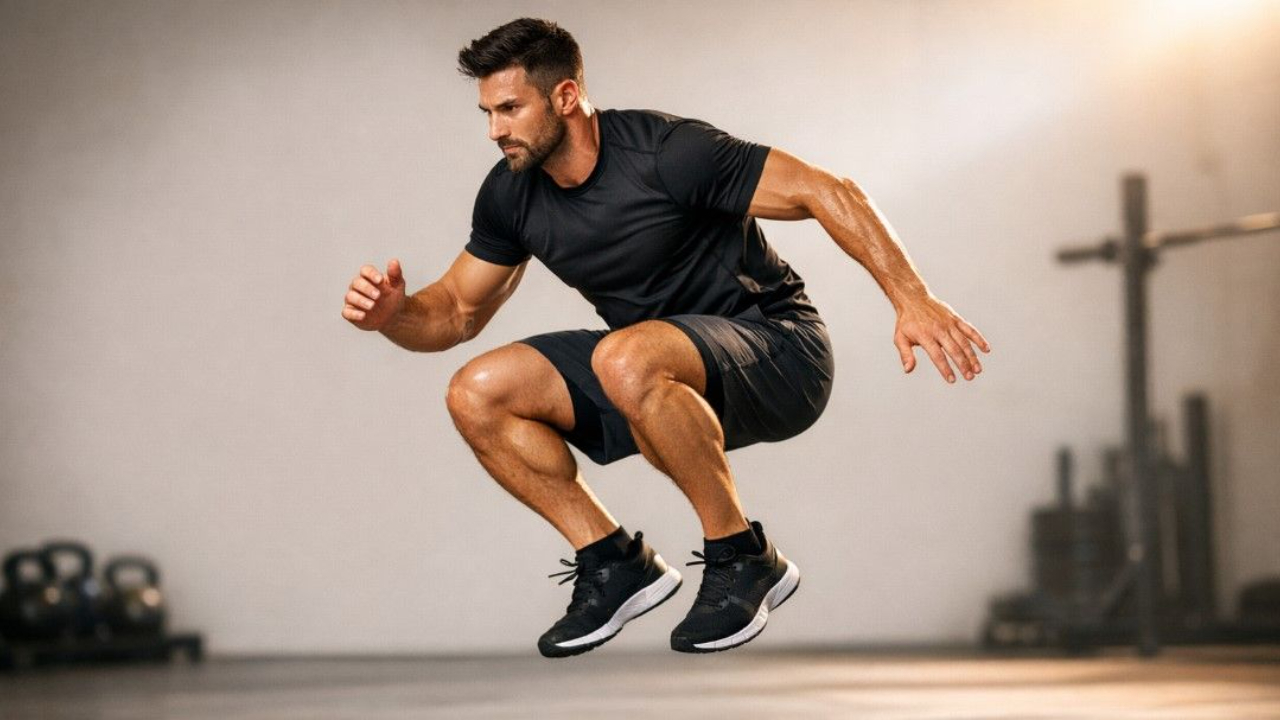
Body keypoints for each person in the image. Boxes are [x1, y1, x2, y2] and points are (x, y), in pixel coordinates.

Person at [342, 18, 989, 657]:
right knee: (476, 392)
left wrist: (912, 297)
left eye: (509, 108)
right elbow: (455, 309)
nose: (495, 130)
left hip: (779, 351)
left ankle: (742, 557)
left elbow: (825, 190)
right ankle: (614, 562)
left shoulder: (667, 152)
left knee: (624, 353)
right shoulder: (512, 195)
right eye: (487, 112)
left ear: (565, 96)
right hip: (647, 372)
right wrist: (391, 316)